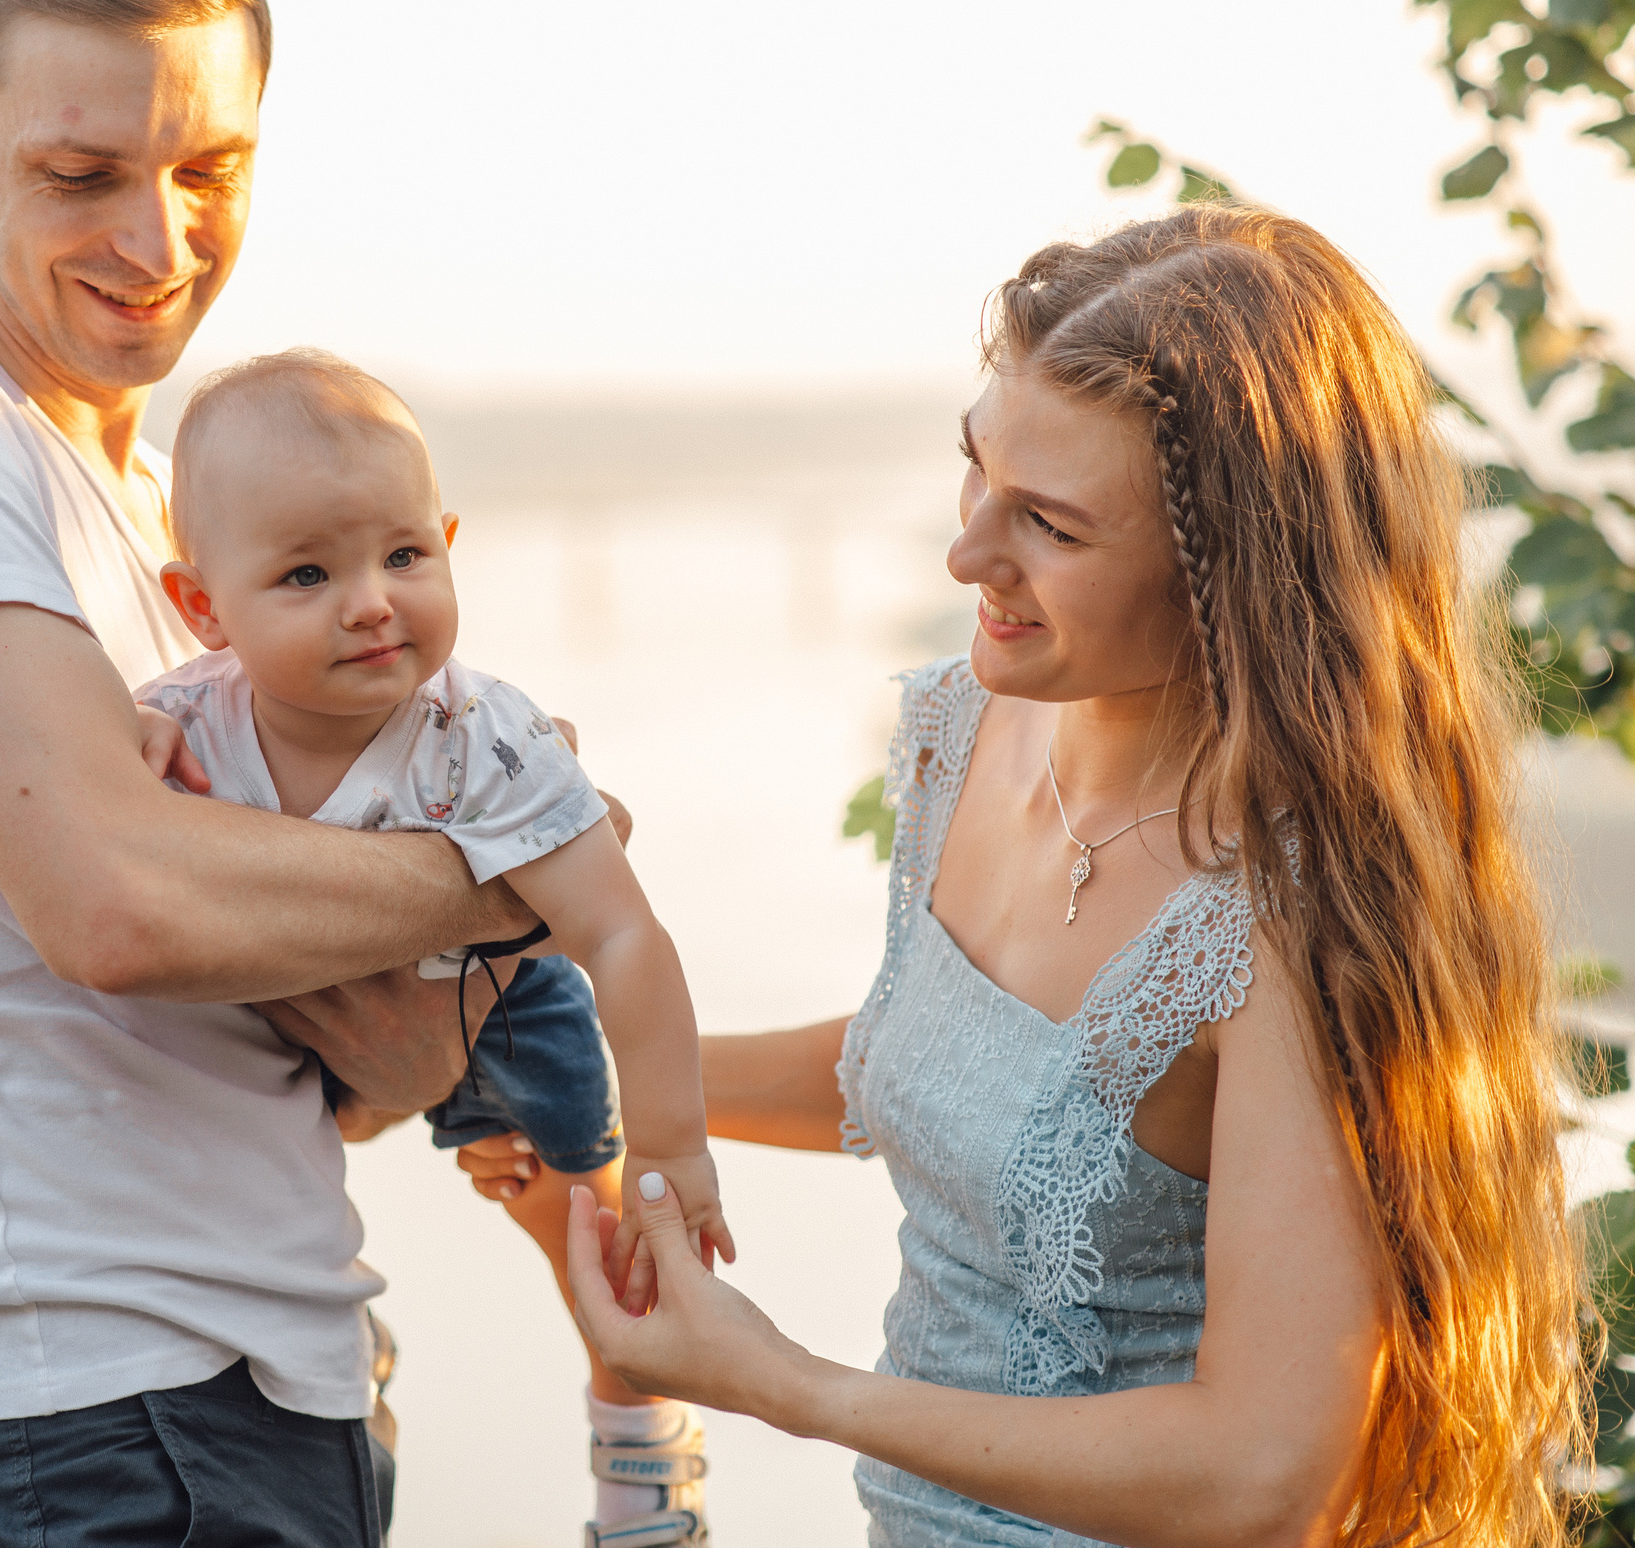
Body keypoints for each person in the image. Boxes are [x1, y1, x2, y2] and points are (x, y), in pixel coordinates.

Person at [466, 206, 1586, 1546]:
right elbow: (943, 1067)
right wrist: (565, 1068)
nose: (967, 555)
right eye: (975, 470)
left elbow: (1263, 1470)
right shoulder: (962, 729)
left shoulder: (1289, 914)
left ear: (1229, 577)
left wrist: (783, 1384)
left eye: (1051, 525)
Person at [0, 0, 586, 1544]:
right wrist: (530, 856)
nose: (158, 240)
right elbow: (123, 903)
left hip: (270, 1391)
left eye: (210, 169)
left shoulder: (179, 520)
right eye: (81, 174)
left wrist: (418, 988)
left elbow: (366, 1059)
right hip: (97, 1415)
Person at [134, 348, 729, 1547]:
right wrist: (123, 738)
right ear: (204, 607)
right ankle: (327, 1345)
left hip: (504, 1001)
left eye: (404, 555)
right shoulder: (183, 720)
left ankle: (643, 1455)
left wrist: (673, 1140)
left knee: (591, 1220)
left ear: (448, 539)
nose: (371, 600)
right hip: (310, 1014)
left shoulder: (474, 734)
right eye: (307, 572)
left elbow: (619, 930)